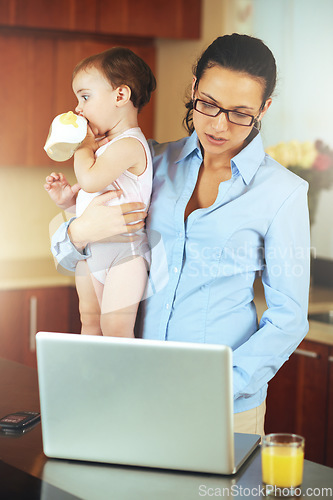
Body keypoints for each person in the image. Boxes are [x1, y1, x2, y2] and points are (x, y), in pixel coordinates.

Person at [49, 34, 310, 435]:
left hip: (223, 406)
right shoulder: (151, 161)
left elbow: (289, 319)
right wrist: (81, 231)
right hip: (137, 391)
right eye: (208, 104)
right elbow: (70, 254)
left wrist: (223, 385)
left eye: (241, 113)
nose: (219, 125)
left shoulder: (283, 193)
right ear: (193, 91)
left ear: (264, 109)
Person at [44, 47, 156, 337]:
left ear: (120, 96)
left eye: (85, 96)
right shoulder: (103, 147)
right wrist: (70, 203)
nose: (78, 108)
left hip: (124, 255)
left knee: (115, 327)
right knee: (89, 322)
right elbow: (94, 199)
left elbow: (92, 181)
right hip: (91, 251)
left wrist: (82, 146)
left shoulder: (129, 145)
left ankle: (122, 383)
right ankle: (92, 382)